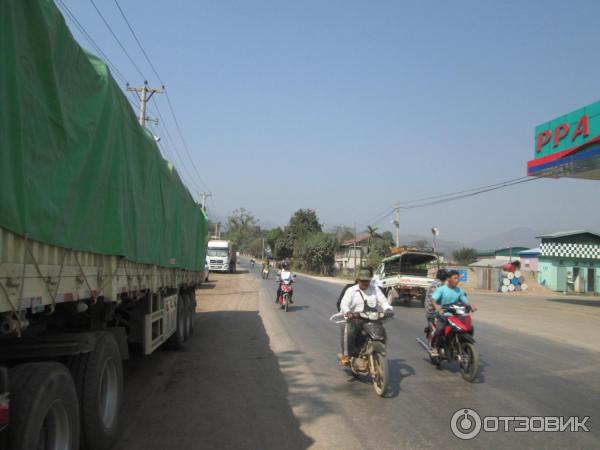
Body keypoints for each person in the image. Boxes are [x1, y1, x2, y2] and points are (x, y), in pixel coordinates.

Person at [338, 269, 393, 366]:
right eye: (362, 280)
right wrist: (348, 312)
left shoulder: (375, 289)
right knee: (348, 331)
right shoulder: (351, 290)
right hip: (356, 319)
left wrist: (388, 309)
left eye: (367, 281)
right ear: (358, 280)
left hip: (373, 319)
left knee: (381, 332)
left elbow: (383, 301)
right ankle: (346, 355)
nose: (365, 283)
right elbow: (344, 303)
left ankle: (378, 351)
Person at [430, 270, 476, 357]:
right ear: (448, 279)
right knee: (439, 329)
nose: (457, 280)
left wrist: (471, 305)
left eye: (458, 278)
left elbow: (465, 301)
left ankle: (463, 344)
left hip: (456, 315)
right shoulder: (441, 289)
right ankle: (434, 347)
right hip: (443, 314)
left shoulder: (459, 291)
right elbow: (433, 300)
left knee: (469, 327)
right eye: (455, 278)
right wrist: (437, 306)